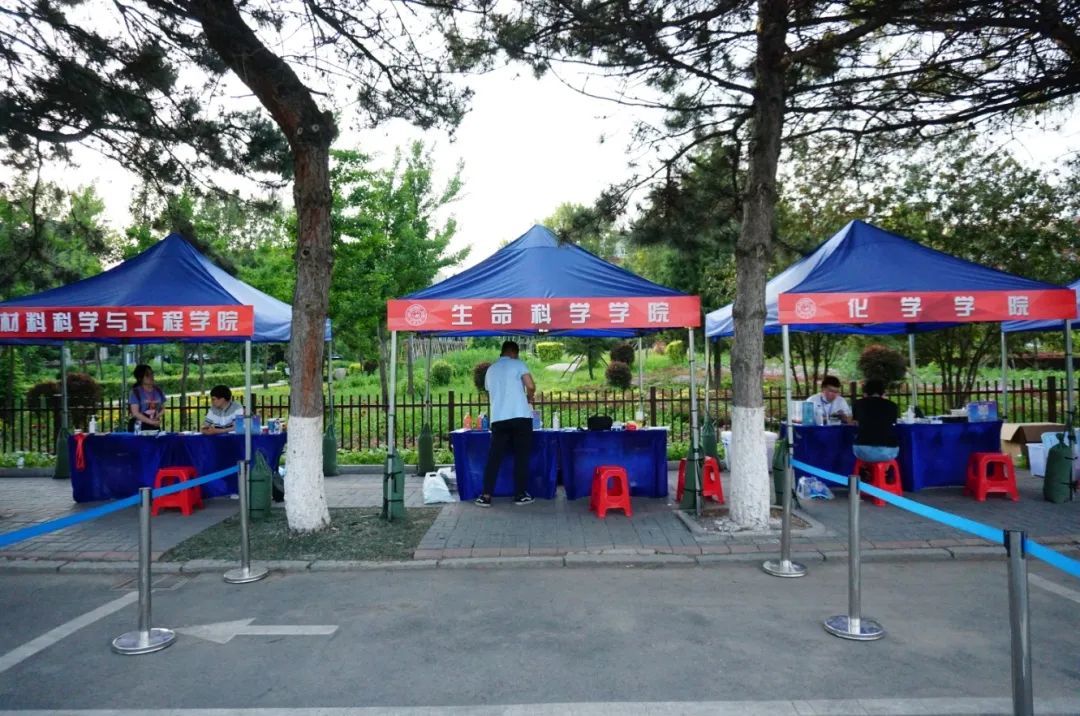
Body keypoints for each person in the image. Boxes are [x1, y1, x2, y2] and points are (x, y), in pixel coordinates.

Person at [475, 340, 536, 507]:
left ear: (502, 352)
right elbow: (530, 385)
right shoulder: (518, 364)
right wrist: (529, 397)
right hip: (520, 416)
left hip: (499, 418)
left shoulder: (491, 370)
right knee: (521, 456)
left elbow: (491, 390)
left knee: (494, 457)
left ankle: (486, 496)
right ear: (514, 353)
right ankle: (520, 494)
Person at [852, 379, 900, 462]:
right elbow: (893, 423)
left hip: (862, 450)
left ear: (865, 393)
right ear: (883, 393)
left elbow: (855, 423)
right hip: (887, 451)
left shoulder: (858, 404)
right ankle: (885, 470)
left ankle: (866, 469)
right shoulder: (892, 405)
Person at [128, 364, 166, 431]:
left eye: (152, 374)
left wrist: (157, 416)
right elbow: (135, 413)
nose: (151, 376)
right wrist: (151, 422)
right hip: (138, 427)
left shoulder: (158, 391)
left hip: (154, 426)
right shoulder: (135, 392)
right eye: (147, 375)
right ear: (140, 378)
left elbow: (163, 408)